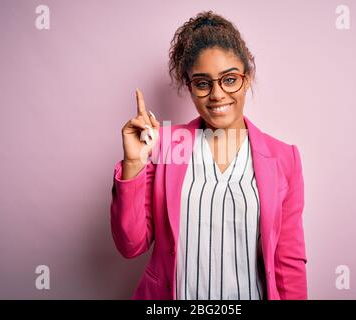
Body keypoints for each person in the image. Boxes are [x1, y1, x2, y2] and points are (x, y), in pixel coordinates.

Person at [110, 10, 307, 300]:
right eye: (203, 83)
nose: (217, 94)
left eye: (229, 79)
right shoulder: (165, 145)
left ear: (247, 78)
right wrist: (134, 164)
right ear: (189, 87)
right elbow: (131, 245)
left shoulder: (283, 158)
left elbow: (288, 262)